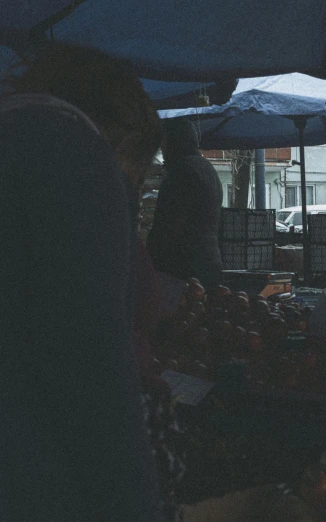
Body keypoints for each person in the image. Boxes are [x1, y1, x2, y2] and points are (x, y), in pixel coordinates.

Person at [0, 44, 164, 520]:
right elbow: (92, 366)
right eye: (136, 179)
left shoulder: (15, 139)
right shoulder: (74, 158)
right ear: (123, 141)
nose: (131, 193)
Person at [146, 118, 224, 291]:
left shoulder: (182, 172)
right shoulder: (207, 169)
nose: (162, 150)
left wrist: (148, 262)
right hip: (209, 263)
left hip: (183, 271)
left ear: (173, 141)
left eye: (163, 143)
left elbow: (167, 226)